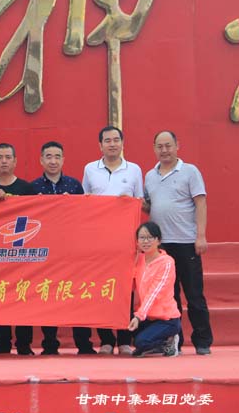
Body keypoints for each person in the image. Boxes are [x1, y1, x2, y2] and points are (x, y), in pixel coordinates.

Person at [144, 131, 212, 355]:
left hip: (186, 242)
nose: (164, 150)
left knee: (194, 294)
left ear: (177, 146)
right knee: (168, 297)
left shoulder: (190, 171)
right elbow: (150, 205)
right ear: (154, 148)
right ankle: (175, 342)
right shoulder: (150, 176)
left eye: (168, 145)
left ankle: (202, 341)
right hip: (161, 247)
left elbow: (200, 203)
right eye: (160, 146)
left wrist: (200, 236)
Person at [30, 141, 97, 355]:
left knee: (77, 295)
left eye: (57, 156)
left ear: (63, 160)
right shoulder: (33, 188)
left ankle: (84, 344)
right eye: (48, 156)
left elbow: (84, 216)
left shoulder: (74, 185)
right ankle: (50, 345)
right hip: (45, 251)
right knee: (47, 295)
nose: (53, 161)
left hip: (72, 251)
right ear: (41, 160)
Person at [82, 126, 142, 355]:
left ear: (123, 143)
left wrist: (131, 202)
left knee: (125, 289)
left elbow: (141, 202)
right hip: (98, 240)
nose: (112, 144)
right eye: (107, 140)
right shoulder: (90, 169)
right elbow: (85, 202)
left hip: (126, 240)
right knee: (101, 288)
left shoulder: (134, 170)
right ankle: (106, 339)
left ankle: (125, 339)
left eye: (116, 140)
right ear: (100, 145)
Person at [0, 143, 35, 355]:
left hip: (23, 251)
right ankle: (2, 343)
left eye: (8, 157)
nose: (4, 161)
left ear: (15, 161)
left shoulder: (27, 189)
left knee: (23, 297)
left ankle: (24, 344)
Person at [128, 222, 181, 357]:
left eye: (150, 237)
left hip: (166, 319)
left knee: (141, 342)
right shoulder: (138, 260)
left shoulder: (167, 262)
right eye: (142, 238)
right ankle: (155, 343)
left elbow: (154, 293)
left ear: (158, 240)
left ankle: (169, 340)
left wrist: (138, 317)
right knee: (128, 331)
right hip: (147, 317)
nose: (145, 241)